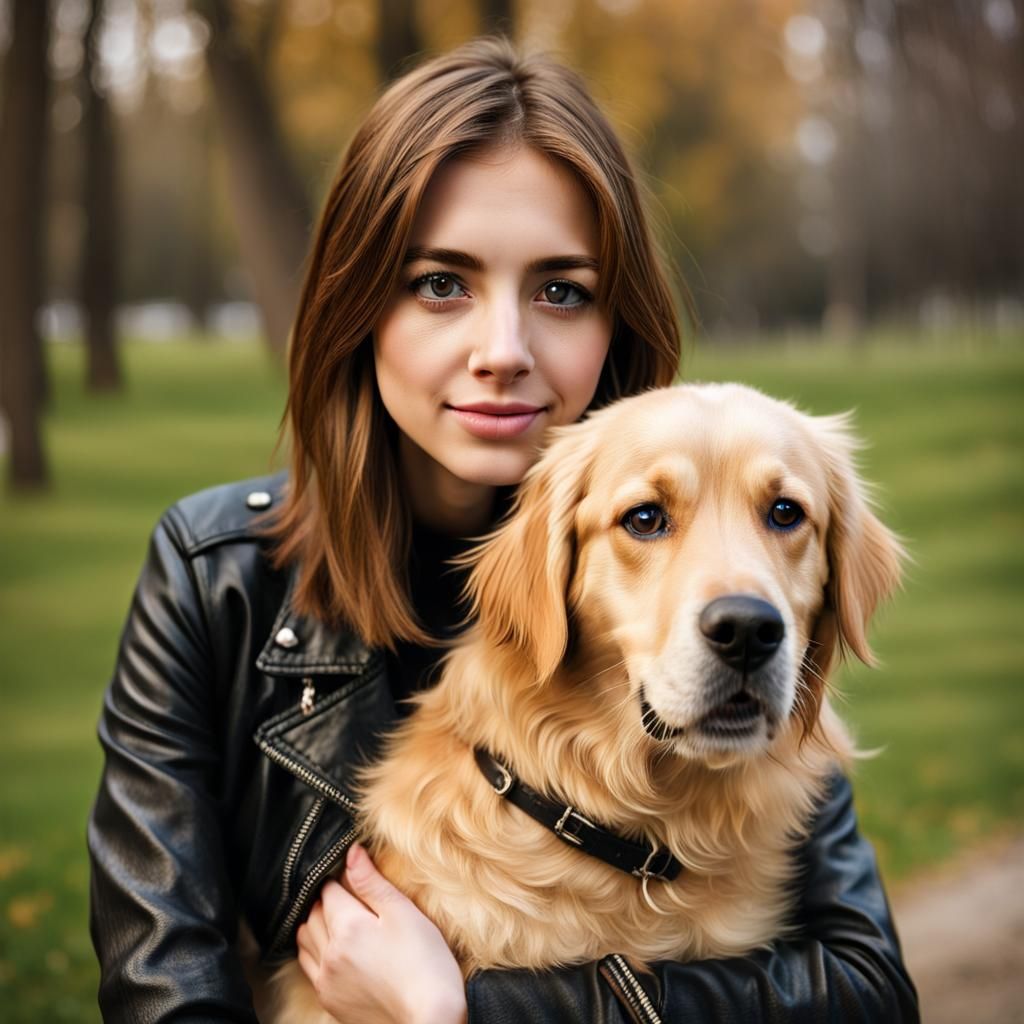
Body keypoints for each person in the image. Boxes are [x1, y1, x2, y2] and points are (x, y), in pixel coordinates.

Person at [87, 37, 918, 1024]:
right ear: (358, 305)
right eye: (442, 283)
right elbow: (163, 993)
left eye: (562, 290)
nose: (503, 351)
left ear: (616, 316)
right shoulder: (211, 578)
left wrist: (472, 1013)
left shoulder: (732, 583)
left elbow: (865, 992)